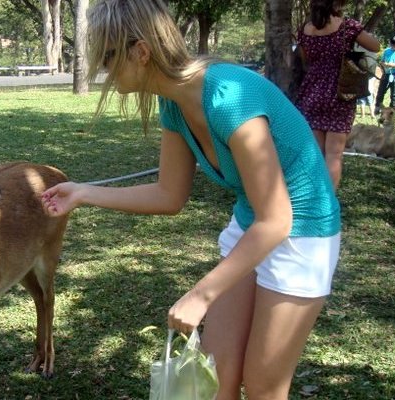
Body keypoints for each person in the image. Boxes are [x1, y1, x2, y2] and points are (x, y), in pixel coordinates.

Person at [40, 0, 342, 399]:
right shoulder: (174, 103)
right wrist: (83, 192)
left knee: (265, 387)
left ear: (140, 52)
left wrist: (201, 294)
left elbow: (278, 219)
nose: (104, 71)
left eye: (108, 58)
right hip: (254, 223)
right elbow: (169, 194)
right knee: (217, 381)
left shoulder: (229, 97)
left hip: (302, 234)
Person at [295, 0, 380, 189]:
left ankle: (313, 198)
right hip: (341, 93)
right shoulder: (347, 26)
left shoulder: (305, 29)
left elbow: (304, 58)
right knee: (334, 155)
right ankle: (328, 202)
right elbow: (375, 46)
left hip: (311, 92)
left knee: (316, 153)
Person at [374, 35, 395, 114]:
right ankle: (377, 108)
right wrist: (384, 64)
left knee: (394, 94)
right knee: (381, 92)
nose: (391, 46)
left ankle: (392, 109)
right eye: (391, 44)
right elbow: (382, 61)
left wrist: (392, 65)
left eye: (393, 45)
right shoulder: (387, 51)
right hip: (386, 74)